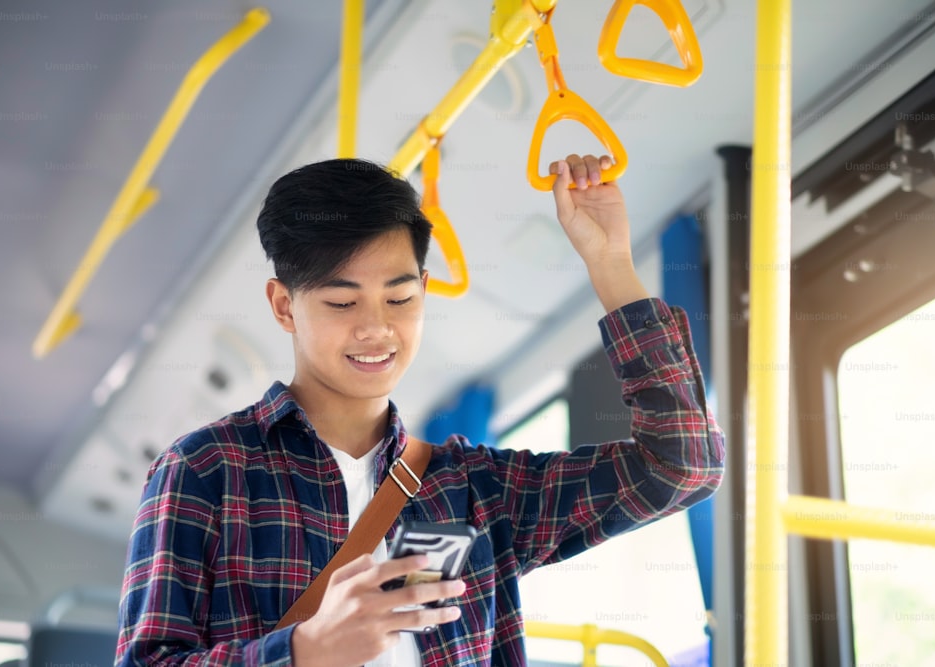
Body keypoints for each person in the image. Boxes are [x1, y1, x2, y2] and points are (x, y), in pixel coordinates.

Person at [115, 153, 725, 666]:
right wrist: (302, 652)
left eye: (400, 297)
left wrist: (612, 265)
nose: (377, 329)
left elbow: (682, 465)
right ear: (283, 306)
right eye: (341, 303)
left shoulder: (472, 488)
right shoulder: (204, 470)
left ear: (424, 292)